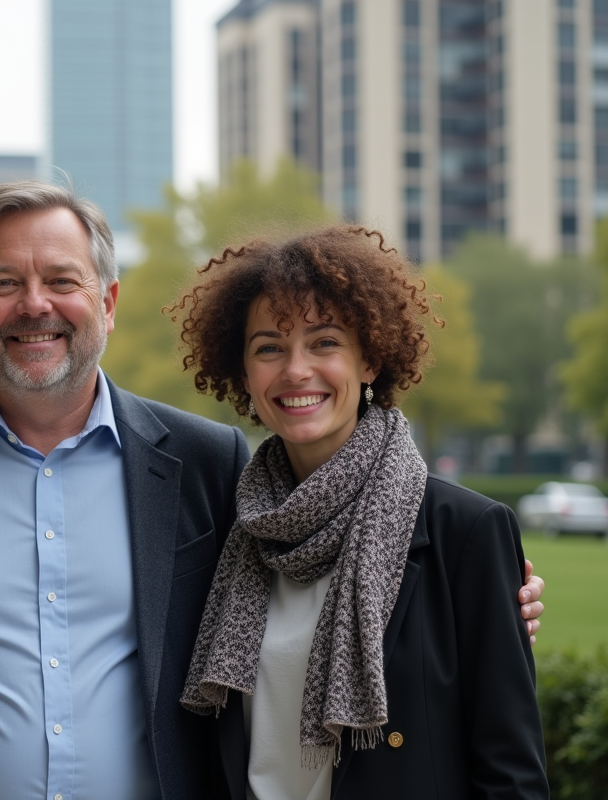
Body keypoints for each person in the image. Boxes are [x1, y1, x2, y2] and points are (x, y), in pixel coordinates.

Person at [0, 182, 545, 799]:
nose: (35, 304)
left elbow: (324, 552)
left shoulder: (207, 461)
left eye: (62, 280)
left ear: (107, 302)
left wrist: (468, 604)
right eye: (5, 283)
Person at [175, 227, 548, 798]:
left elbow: (512, 776)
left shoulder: (464, 533)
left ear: (370, 359)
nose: (296, 370)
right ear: (246, 375)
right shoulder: (233, 534)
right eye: (269, 347)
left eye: (324, 343)